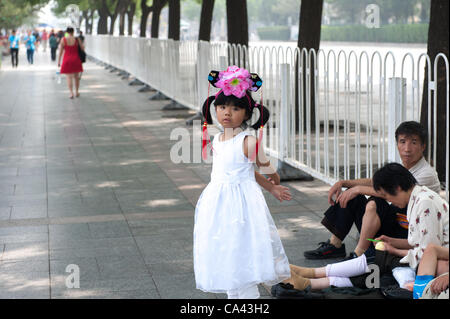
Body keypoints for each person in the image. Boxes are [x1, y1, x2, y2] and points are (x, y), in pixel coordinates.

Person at [272, 163, 448, 294]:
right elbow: (417, 244)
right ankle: (312, 277)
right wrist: (391, 241)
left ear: (399, 188)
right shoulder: (418, 199)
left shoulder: (423, 203)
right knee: (378, 259)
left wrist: (393, 249)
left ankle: (313, 279)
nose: (390, 201)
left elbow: (427, 254)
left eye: (387, 196)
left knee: (378, 262)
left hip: (434, 265)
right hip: (429, 261)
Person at [193, 66, 292, 299]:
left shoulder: (247, 141)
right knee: (225, 250)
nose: (227, 112)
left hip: (241, 204)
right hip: (217, 202)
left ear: (247, 114)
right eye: (222, 106)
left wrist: (274, 184)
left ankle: (248, 297)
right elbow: (243, 170)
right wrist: (270, 184)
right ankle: (233, 296)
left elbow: (264, 169)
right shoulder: (217, 138)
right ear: (214, 109)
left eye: (235, 108)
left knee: (242, 251)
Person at [304, 121, 441, 261]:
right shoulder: (404, 166)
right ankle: (335, 245)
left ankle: (360, 254)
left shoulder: (426, 174)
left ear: (423, 146)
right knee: (353, 196)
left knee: (374, 202)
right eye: (402, 142)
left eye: (413, 142)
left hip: (408, 232)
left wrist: (357, 189)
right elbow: (375, 182)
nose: (407, 148)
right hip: (395, 223)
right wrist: (344, 183)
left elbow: (392, 193)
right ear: (397, 144)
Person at [57, 27, 84, 99]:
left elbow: (60, 52)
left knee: (69, 77)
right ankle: (77, 92)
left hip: (67, 60)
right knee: (76, 77)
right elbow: (82, 48)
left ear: (66, 32)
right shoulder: (77, 39)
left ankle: (71, 93)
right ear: (73, 32)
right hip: (76, 59)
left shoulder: (63, 39)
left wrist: (59, 61)